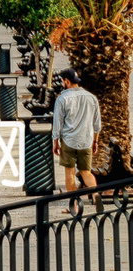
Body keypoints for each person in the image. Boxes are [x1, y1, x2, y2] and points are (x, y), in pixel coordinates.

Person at [53, 68, 101, 210]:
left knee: (70, 172)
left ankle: (73, 206)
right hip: (86, 140)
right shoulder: (91, 97)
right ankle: (96, 197)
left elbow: (58, 123)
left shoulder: (62, 98)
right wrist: (95, 141)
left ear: (66, 81)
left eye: (62, 81)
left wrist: (55, 142)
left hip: (68, 141)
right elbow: (97, 124)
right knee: (86, 171)